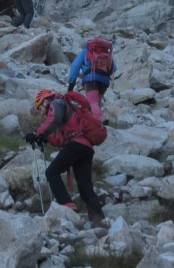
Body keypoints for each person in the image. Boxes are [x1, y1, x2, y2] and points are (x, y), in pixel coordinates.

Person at [24, 89, 106, 224]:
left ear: (45, 100)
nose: (42, 112)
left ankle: (67, 205)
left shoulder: (56, 103)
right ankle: (99, 218)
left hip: (77, 145)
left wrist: (38, 134)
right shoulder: (68, 106)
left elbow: (54, 119)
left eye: (40, 108)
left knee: (51, 172)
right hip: (86, 148)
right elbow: (62, 138)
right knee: (85, 186)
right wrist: (46, 138)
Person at [67, 37, 116, 125]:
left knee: (93, 102)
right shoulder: (106, 53)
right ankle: (94, 123)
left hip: (91, 79)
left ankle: (101, 119)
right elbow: (114, 68)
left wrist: (71, 84)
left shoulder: (85, 51)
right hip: (105, 82)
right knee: (96, 103)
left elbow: (75, 66)